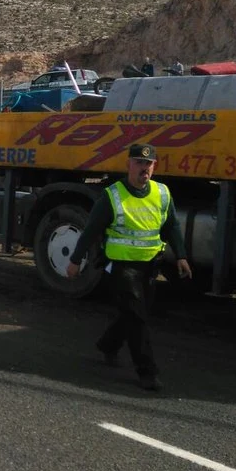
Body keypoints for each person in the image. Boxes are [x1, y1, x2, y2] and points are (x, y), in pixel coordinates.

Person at [66, 143, 192, 392]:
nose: (143, 169)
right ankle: (147, 372)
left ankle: (108, 345)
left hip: (150, 266)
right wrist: (75, 260)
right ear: (128, 165)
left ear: (154, 167)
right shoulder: (112, 196)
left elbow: (172, 226)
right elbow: (91, 230)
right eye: (138, 163)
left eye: (148, 164)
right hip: (122, 267)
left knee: (135, 313)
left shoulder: (162, 193)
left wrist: (181, 256)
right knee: (137, 317)